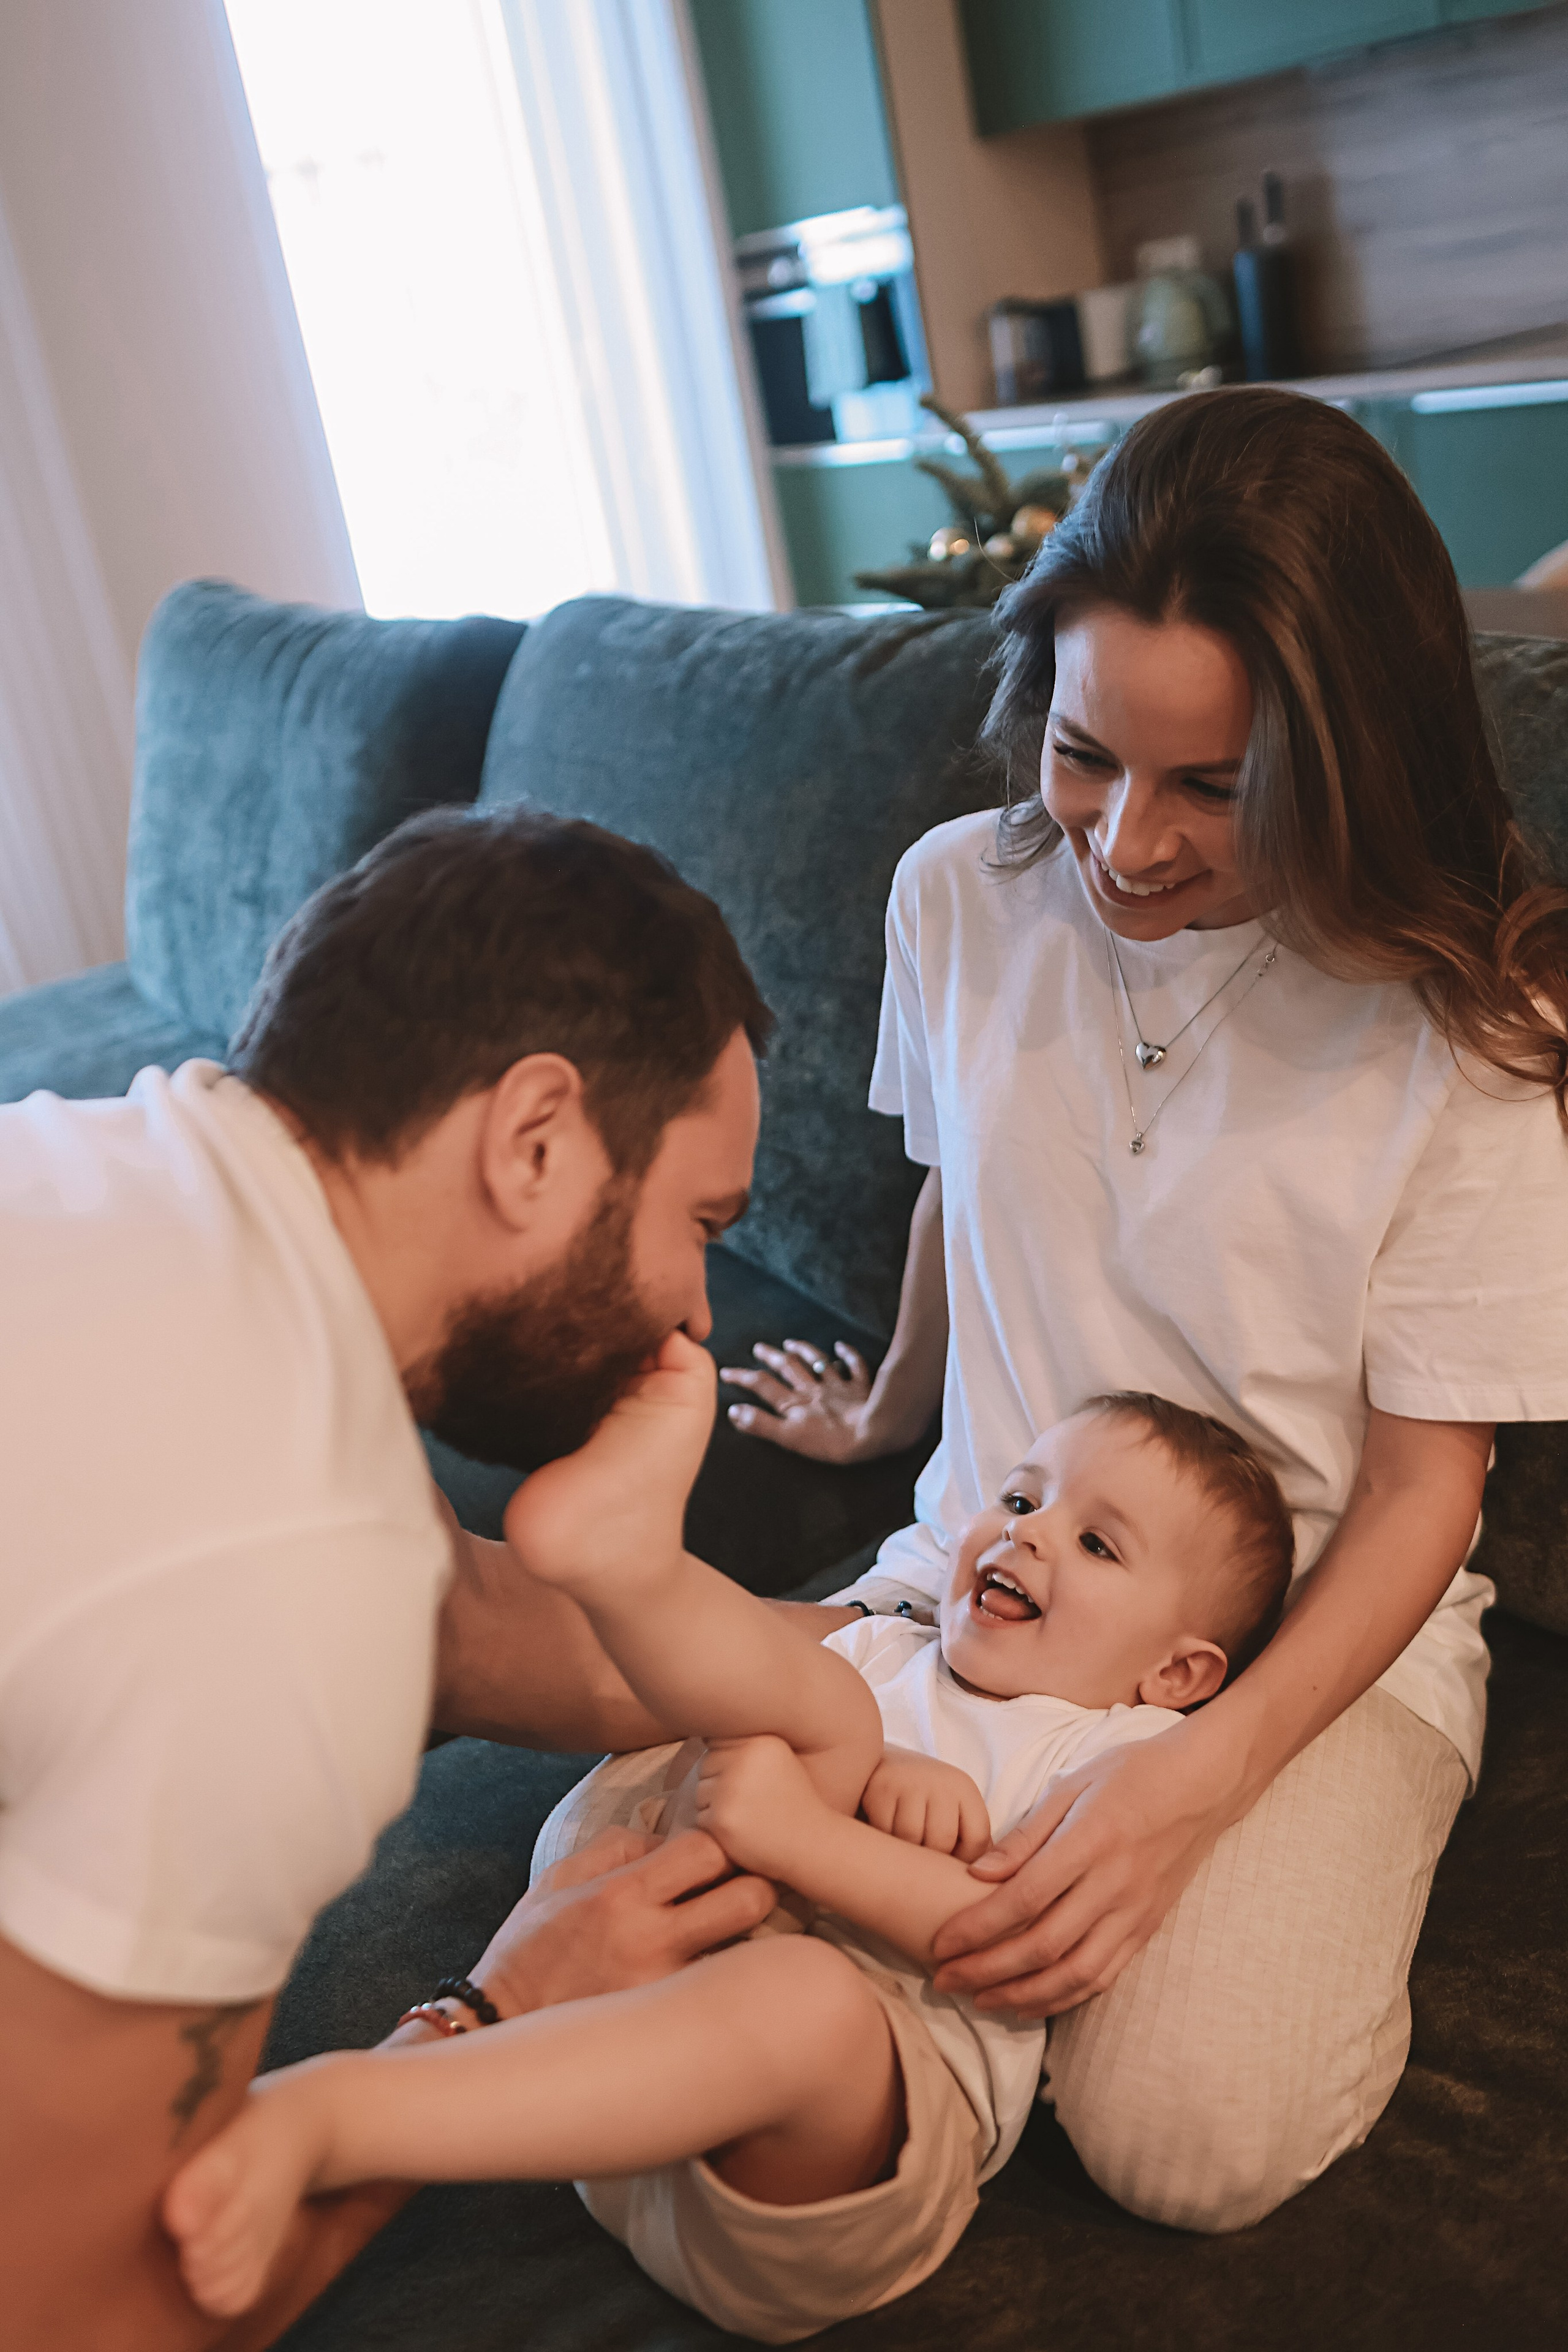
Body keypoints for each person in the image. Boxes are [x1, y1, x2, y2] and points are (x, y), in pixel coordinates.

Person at [718, 386, 1568, 2230]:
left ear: (1352, 763)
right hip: (991, 1575)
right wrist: (890, 1414)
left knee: (1187, 2143)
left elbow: (1425, 1491)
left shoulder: (1473, 1028)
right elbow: (964, 1180)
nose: (1124, 846)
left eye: (1215, 787)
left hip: (1305, 1643)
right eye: (1088, 754)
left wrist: (1197, 1777)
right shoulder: (957, 898)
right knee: (629, 1852)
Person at [0, 807, 791, 2349]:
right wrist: (495, 2016)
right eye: (701, 1225)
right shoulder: (288, 1571)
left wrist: (883, 1638)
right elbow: (89, 2317)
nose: (700, 1314)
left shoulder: (119, 1173)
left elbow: (470, 1624)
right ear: (535, 1138)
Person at [164, 1357, 1293, 2343]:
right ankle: (623, 1571)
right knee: (808, 1695)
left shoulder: (1111, 1752)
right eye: (1019, 1496)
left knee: (810, 1993)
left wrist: (805, 1835)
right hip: (631, 2057)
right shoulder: (884, 1651)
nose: (1027, 1532)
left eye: (1095, 1543)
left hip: (824, 2156)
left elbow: (1009, 1934)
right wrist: (851, 1765)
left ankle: (357, 2110)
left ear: (1176, 1674)